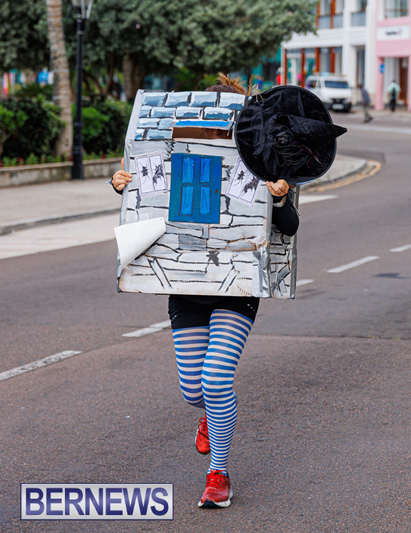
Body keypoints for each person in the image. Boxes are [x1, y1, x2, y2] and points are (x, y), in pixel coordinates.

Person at [111, 74, 300, 510]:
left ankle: (219, 474)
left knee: (215, 380)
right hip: (186, 287)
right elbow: (145, 202)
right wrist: (122, 185)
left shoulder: (263, 162)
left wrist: (278, 197)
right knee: (192, 391)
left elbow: (289, 228)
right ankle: (209, 416)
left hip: (237, 288)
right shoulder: (171, 154)